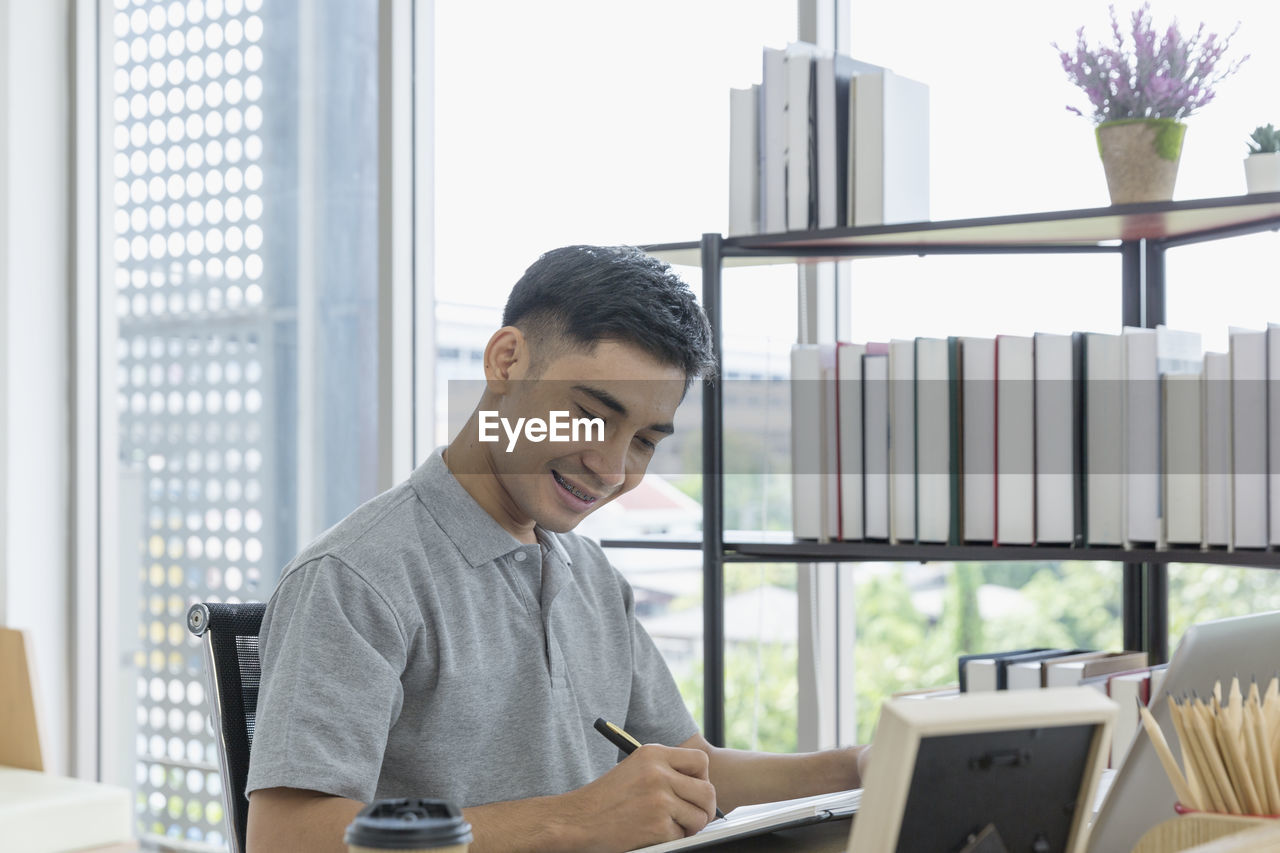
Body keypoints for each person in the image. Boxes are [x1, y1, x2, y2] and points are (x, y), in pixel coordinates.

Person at [244, 245, 869, 853]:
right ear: (507, 360)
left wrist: (860, 766)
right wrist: (573, 824)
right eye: (592, 416)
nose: (611, 468)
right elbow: (286, 840)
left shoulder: (593, 576)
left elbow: (693, 771)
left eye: (645, 441)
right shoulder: (356, 577)